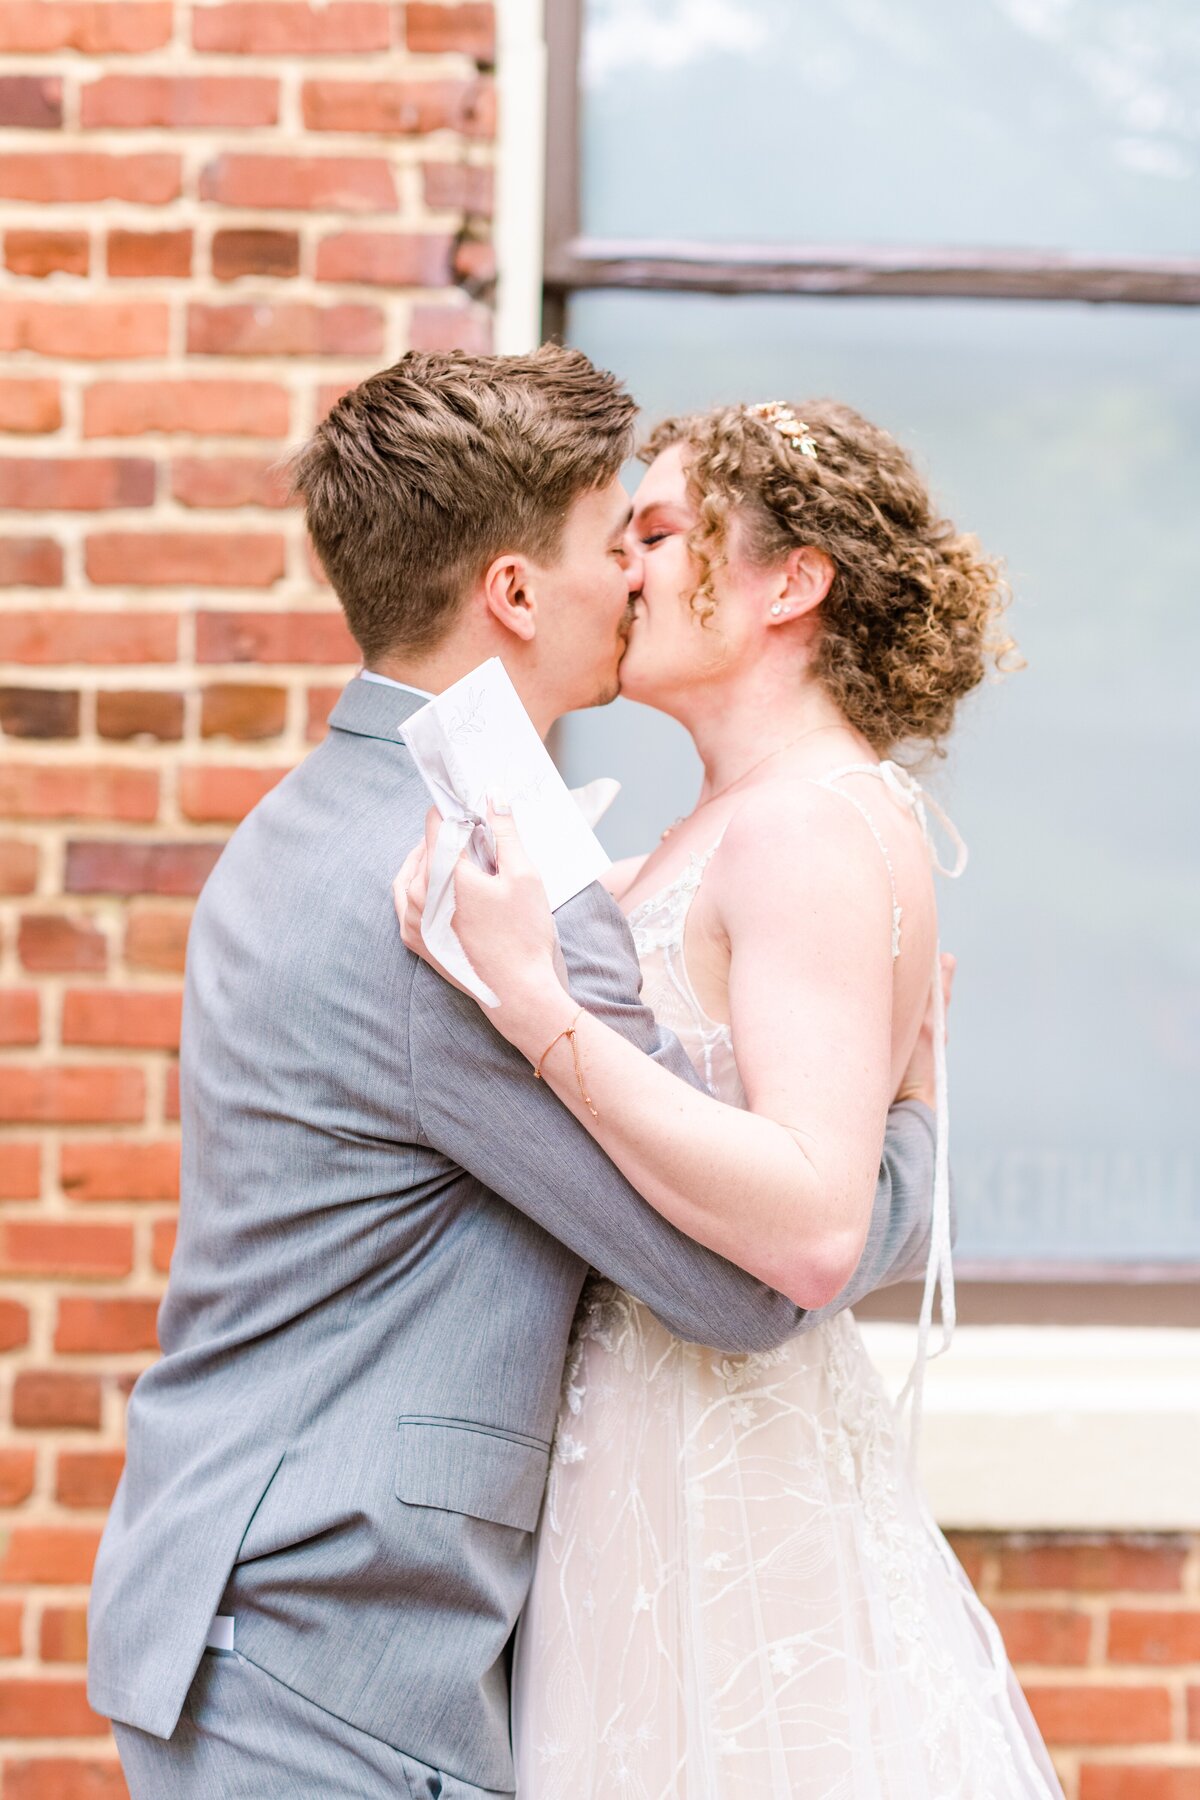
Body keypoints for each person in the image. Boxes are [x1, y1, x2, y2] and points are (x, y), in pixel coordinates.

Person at [86, 350, 941, 1799]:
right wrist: (909, 1127)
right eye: (618, 541)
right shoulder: (473, 885)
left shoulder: (307, 823)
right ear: (516, 595)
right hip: (336, 1657)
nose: (639, 575)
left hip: (242, 1610)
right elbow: (744, 1288)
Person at [396, 396, 1064, 1796]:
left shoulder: (811, 828)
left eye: (655, 530)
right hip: (631, 1469)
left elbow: (816, 1227)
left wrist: (539, 1012)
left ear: (789, 581)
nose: (625, 569)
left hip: (728, 1497)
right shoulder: (713, 827)